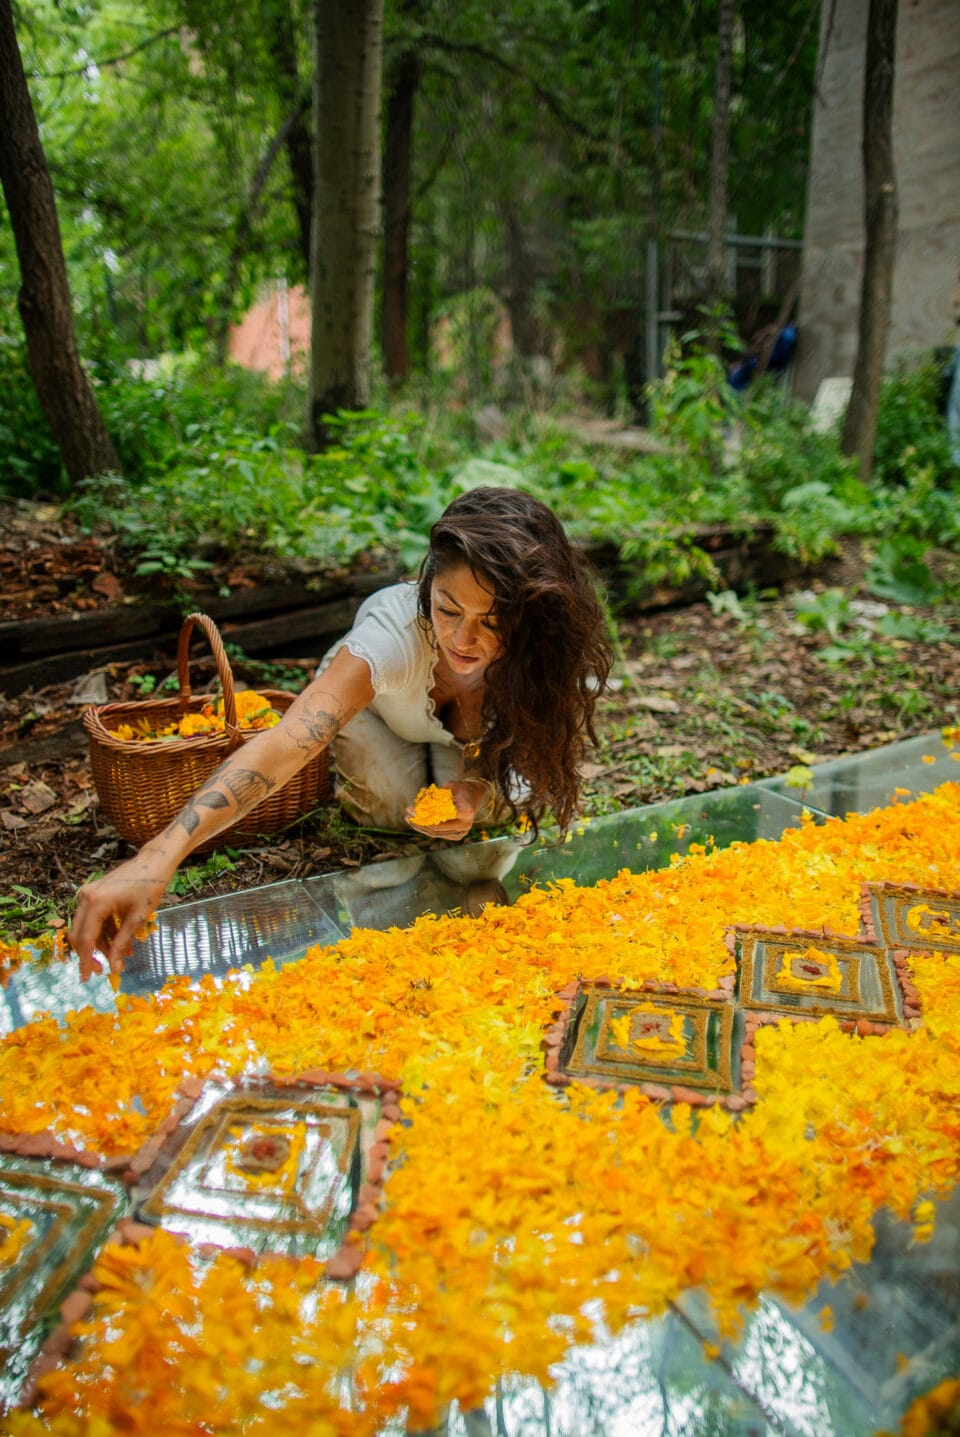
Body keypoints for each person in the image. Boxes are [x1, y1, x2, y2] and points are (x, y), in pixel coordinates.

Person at [70, 486, 614, 976]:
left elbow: (527, 754)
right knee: (389, 806)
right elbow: (286, 743)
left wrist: (476, 789)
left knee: (487, 827)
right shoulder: (391, 634)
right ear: (427, 588)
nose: (463, 640)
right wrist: (157, 858)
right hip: (381, 716)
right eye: (448, 610)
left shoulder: (551, 657)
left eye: (492, 622)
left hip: (478, 739)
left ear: (533, 616)